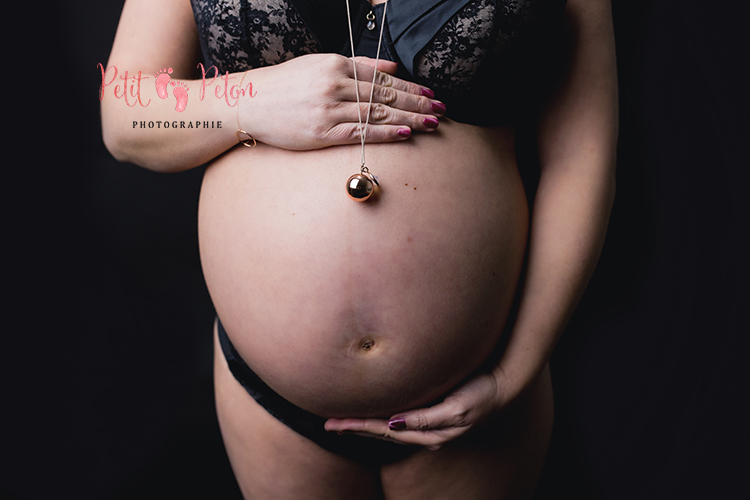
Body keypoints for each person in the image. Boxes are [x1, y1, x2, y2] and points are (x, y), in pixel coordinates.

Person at [101, 0, 617, 498]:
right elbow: (125, 119)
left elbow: (581, 158)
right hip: (272, 400)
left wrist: (512, 375)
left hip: (479, 385)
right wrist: (250, 101)